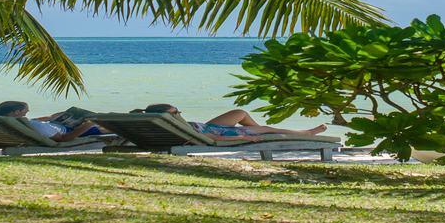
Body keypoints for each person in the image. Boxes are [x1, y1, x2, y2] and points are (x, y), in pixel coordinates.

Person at [137, 103, 327, 141]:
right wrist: (244, 137)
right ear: (169, 117)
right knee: (267, 130)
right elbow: (212, 138)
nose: (179, 114)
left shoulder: (168, 123)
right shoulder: (177, 127)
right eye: (176, 113)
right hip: (219, 133)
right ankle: (307, 133)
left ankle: (256, 128)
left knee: (239, 112)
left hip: (208, 125)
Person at [0, 101, 103, 142]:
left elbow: (36, 123)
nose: (27, 112)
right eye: (25, 111)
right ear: (16, 112)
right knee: (104, 127)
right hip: (69, 130)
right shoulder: (36, 126)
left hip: (55, 125)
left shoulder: (0, 121)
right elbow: (64, 138)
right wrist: (90, 123)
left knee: (57, 115)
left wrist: (50, 118)